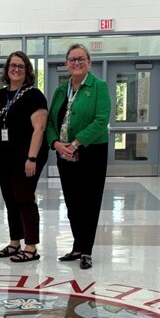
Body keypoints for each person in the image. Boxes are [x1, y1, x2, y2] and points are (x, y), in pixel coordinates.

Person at [45, 43, 111, 269]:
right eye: (72, 59)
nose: (76, 63)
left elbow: (101, 121)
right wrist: (55, 143)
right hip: (64, 154)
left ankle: (87, 251)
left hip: (92, 152)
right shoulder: (61, 90)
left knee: (89, 202)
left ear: (89, 62)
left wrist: (74, 144)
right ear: (66, 64)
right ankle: (76, 246)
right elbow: (52, 121)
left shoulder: (99, 87)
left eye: (81, 59)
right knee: (72, 202)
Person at [0, 51, 48, 263]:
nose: (16, 69)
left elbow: (39, 129)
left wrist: (31, 159)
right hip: (4, 157)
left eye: (21, 66)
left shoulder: (34, 95)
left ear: (27, 70)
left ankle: (30, 247)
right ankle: (15, 242)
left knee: (24, 198)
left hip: (26, 157)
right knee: (10, 200)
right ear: (7, 69)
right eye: (12, 65)